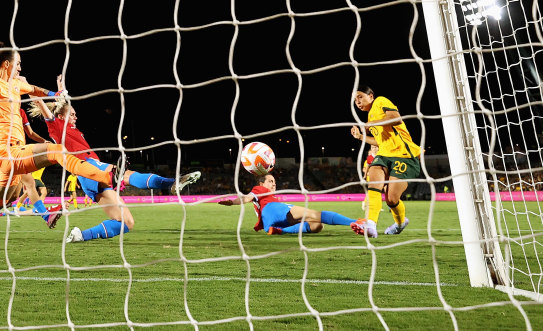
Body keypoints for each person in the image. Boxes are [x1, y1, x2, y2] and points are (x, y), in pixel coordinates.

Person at [28, 75, 201, 243]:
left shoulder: (72, 130)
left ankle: (80, 235)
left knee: (127, 222)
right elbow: (40, 103)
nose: (76, 117)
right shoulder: (56, 127)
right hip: (88, 167)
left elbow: (61, 106)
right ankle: (170, 183)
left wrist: (61, 91)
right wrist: (27, 86)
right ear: (60, 117)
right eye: (72, 114)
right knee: (125, 174)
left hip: (90, 179)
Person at [0, 42, 122, 228]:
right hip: (5, 152)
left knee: (16, 194)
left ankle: (45, 215)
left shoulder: (16, 85)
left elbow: (34, 90)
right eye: (17, 63)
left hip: (17, 151)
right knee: (55, 152)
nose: (20, 68)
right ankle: (105, 176)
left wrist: (56, 93)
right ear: (6, 65)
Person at [350, 85, 421, 238]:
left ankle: (401, 222)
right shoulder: (370, 117)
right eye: (355, 100)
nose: (357, 101)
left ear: (371, 96)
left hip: (404, 156)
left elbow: (396, 118)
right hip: (384, 155)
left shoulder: (381, 102)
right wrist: (361, 137)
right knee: (373, 178)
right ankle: (371, 224)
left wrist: (371, 124)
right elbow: (379, 142)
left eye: (360, 96)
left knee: (391, 199)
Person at [218, 174, 357, 234]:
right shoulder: (259, 189)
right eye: (270, 181)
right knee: (315, 214)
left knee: (317, 226)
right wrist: (233, 202)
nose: (273, 184)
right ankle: (356, 222)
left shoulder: (265, 196)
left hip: (269, 223)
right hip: (273, 210)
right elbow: (246, 198)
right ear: (261, 184)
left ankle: (279, 230)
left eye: (274, 182)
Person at [362, 144, 379, 211]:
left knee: (377, 192)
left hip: (379, 178)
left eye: (375, 147)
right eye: (372, 148)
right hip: (371, 178)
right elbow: (364, 169)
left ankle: (376, 206)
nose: (374, 149)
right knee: (372, 192)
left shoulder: (381, 156)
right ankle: (365, 203)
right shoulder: (368, 159)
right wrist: (366, 174)